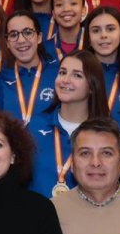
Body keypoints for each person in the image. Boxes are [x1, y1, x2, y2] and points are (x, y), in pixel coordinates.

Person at [26, 50, 110, 198]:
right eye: (62, 72)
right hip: (39, 217)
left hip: (87, 217)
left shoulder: (107, 134)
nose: (65, 80)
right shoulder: (34, 126)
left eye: (77, 75)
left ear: (92, 86)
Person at [0, 10, 60, 123]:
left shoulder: (59, 75)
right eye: (13, 35)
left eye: (27, 32)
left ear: (39, 37)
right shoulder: (0, 80)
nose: (21, 40)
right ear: (7, 43)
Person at [81, 6, 120, 119]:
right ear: (88, 38)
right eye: (96, 30)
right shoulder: (77, 77)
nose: (103, 35)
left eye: (110, 29)